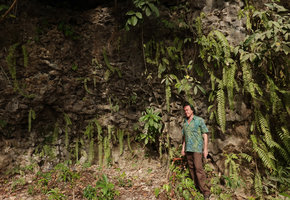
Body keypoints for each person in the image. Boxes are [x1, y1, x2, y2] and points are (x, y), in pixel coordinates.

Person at [181, 102, 211, 199]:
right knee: (192, 169)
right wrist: (183, 149)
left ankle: (205, 191)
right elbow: (184, 137)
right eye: (185, 110)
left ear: (192, 110)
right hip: (188, 149)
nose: (186, 112)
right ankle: (197, 187)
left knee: (199, 169)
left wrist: (205, 149)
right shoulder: (185, 123)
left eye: (187, 110)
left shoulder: (199, 120)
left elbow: (205, 135)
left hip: (197, 149)